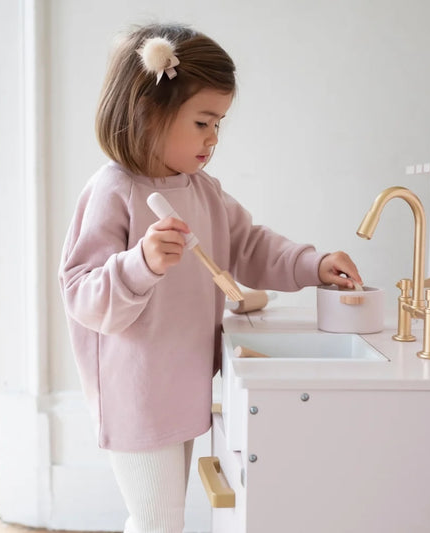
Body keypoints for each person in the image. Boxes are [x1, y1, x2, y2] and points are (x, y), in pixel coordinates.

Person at [59, 22, 362, 533]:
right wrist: (141, 263)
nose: (213, 138)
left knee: (162, 522)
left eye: (219, 124)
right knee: (156, 522)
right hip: (137, 392)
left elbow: (248, 245)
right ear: (148, 112)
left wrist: (312, 265)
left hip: (184, 384)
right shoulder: (113, 190)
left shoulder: (202, 190)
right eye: (202, 122)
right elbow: (81, 293)